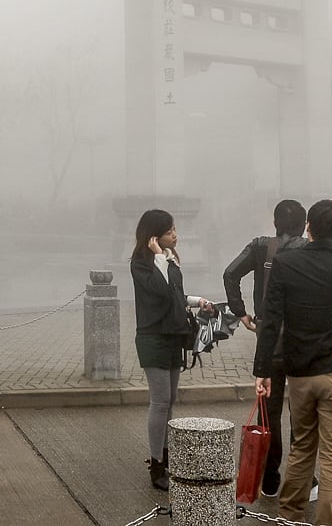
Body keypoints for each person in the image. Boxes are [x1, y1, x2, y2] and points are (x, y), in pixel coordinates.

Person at [253, 199, 332, 526]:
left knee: (301, 451)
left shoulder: (286, 263)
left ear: (308, 227)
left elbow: (270, 321)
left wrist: (263, 370)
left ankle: (289, 517)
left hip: (300, 374)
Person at [222, 198, 307, 497]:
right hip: (301, 341)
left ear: (275, 223)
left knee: (268, 412)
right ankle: (302, 479)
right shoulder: (310, 249)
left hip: (267, 338)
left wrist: (241, 312)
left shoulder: (260, 246)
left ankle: (269, 477)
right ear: (304, 224)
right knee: (302, 411)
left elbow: (230, 273)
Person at [130, 208, 216, 491]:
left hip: (173, 337)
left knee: (170, 400)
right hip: (153, 337)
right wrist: (157, 257)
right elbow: (160, 290)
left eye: (175, 229)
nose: (175, 235)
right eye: (170, 232)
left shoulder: (170, 260)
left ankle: (165, 457)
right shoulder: (142, 263)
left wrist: (196, 301)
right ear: (154, 237)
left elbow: (176, 294)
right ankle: (156, 466)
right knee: (160, 400)